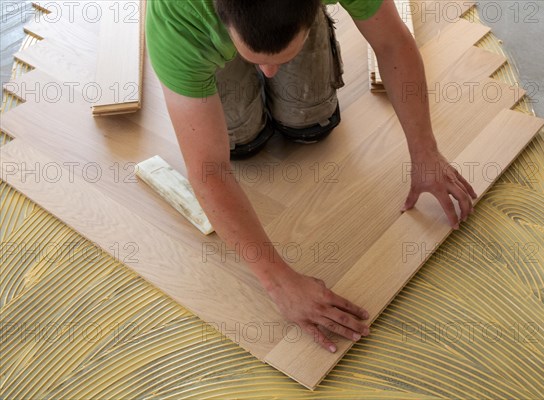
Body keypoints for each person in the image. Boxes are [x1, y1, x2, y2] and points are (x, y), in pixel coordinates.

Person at [145, 0, 477, 353]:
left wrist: (425, 152)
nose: (268, 72)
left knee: (309, 124)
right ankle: (234, 57)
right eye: (258, 60)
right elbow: (209, 169)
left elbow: (392, 42)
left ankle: (285, 39)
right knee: (242, 142)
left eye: (276, 59)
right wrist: (279, 282)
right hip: (201, 33)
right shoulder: (176, 19)